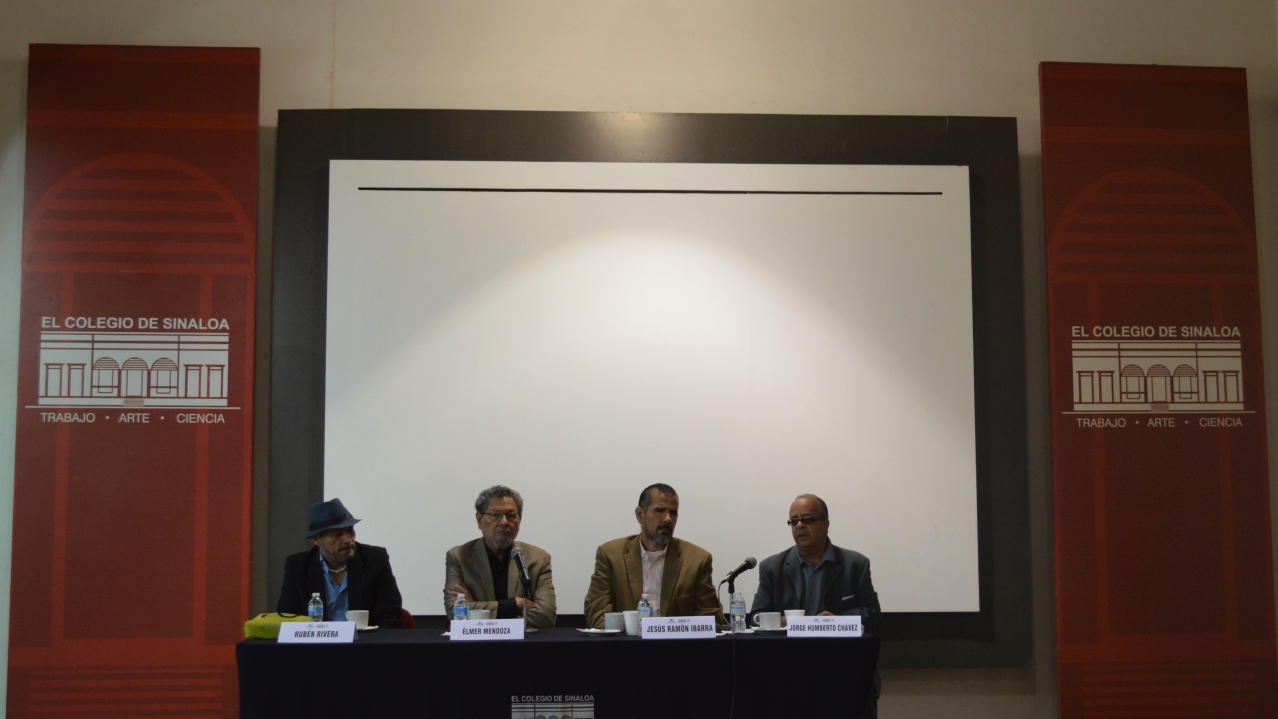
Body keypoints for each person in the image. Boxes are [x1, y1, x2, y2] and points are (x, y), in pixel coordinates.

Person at [751, 493, 881, 717]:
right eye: (793, 521)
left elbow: (872, 614)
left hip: (843, 664)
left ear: (826, 524)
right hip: (789, 666)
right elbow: (756, 617)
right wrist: (786, 621)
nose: (799, 526)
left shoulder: (855, 564)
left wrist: (839, 621)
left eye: (807, 519)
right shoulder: (772, 567)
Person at [583, 483, 725, 628]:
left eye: (673, 513)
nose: (668, 519)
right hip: (628, 641)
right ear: (640, 515)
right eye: (659, 511)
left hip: (677, 642)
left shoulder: (696, 560)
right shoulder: (611, 555)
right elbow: (597, 613)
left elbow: (711, 618)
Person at [277, 498, 404, 628]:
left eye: (350, 531)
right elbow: (288, 617)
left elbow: (390, 616)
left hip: (364, 639)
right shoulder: (298, 566)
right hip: (318, 639)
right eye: (337, 534)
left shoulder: (375, 559)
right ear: (317, 540)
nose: (348, 539)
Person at [444, 485, 557, 627]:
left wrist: (477, 608)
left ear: (519, 519)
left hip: (523, 641)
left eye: (511, 515)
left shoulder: (538, 559)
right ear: (479, 519)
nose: (504, 522)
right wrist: (513, 605)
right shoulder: (459, 556)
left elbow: (546, 617)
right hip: (476, 641)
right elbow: (454, 612)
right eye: (495, 515)